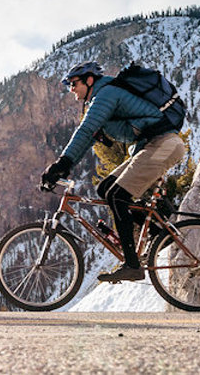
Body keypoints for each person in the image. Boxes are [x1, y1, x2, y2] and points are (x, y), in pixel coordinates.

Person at [40, 62, 186, 282]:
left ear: (90, 80)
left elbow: (86, 129)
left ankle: (132, 265)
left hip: (164, 144)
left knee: (118, 195)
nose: (71, 89)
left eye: (74, 83)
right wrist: (64, 167)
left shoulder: (106, 94)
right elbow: (89, 137)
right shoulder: (104, 97)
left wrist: (62, 163)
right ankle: (159, 235)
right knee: (106, 188)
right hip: (155, 145)